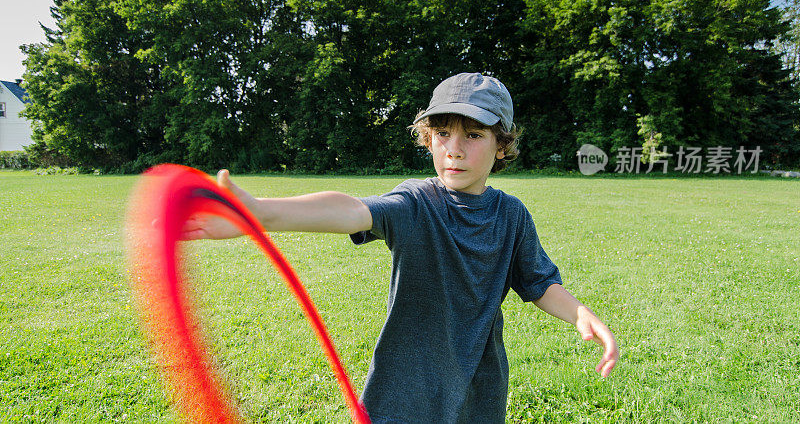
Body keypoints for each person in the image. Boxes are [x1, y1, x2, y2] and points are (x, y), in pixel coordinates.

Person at [182, 72, 618, 423]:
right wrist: (261, 213)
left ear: (502, 145)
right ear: (428, 138)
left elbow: (538, 281)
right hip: (404, 386)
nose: (455, 149)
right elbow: (354, 211)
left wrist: (580, 312)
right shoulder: (416, 202)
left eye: (474, 135)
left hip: (478, 387)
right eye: (443, 133)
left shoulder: (511, 215)